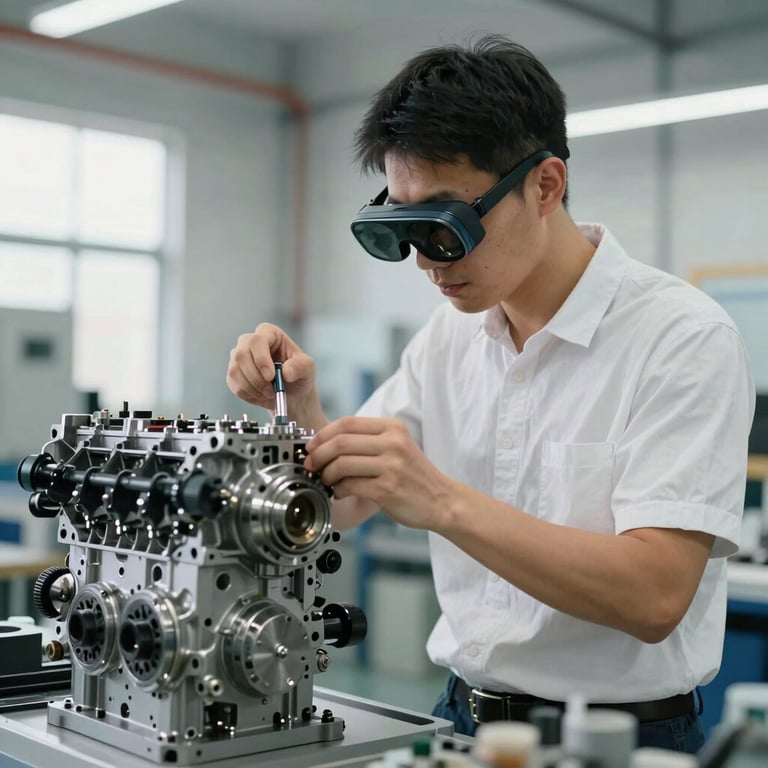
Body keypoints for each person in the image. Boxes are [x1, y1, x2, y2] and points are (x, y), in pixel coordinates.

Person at [226, 35, 754, 752]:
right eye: (403, 228)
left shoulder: (681, 337)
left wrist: (441, 501)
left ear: (545, 185)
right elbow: (346, 503)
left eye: (446, 226)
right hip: (461, 722)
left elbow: (654, 594)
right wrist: (306, 409)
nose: (426, 263)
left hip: (620, 738)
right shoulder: (447, 340)